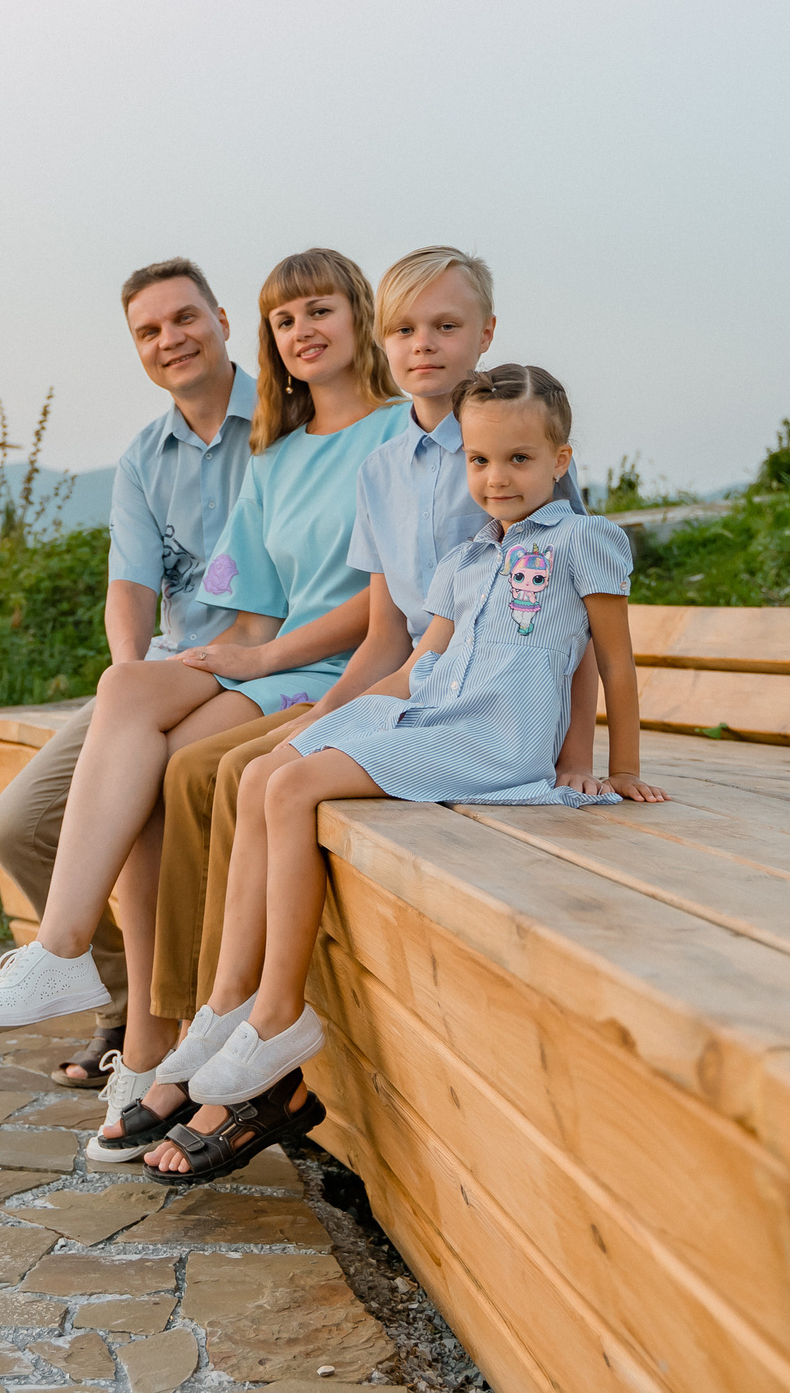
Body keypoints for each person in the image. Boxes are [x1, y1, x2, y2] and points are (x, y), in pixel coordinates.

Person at [144, 363, 669, 1182]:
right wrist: (329, 719)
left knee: (293, 784)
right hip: (432, 712)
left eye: (520, 460)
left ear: (561, 460)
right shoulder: (463, 559)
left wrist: (609, 764)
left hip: (493, 741)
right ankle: (224, 1006)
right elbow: (420, 664)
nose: (497, 479)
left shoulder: (584, 542)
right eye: (481, 461)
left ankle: (279, 1012)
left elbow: (608, 663)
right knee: (267, 772)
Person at [0, 248, 408, 1159]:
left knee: (178, 767)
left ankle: (172, 1034)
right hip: (248, 658)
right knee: (127, 687)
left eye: (319, 311)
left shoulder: (396, 435)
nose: (304, 331)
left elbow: (388, 601)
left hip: (331, 669)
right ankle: (67, 953)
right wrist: (211, 666)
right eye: (290, 318)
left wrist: (256, 656)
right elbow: (242, 604)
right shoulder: (273, 455)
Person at [0, 257, 255, 1090]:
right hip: (168, 673)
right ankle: (123, 990)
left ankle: (148, 1027)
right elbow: (130, 592)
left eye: (184, 318)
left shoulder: (286, 423)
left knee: (157, 791)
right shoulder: (144, 457)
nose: (170, 338)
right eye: (149, 330)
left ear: (222, 321)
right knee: (18, 822)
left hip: (256, 667)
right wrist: (131, 683)